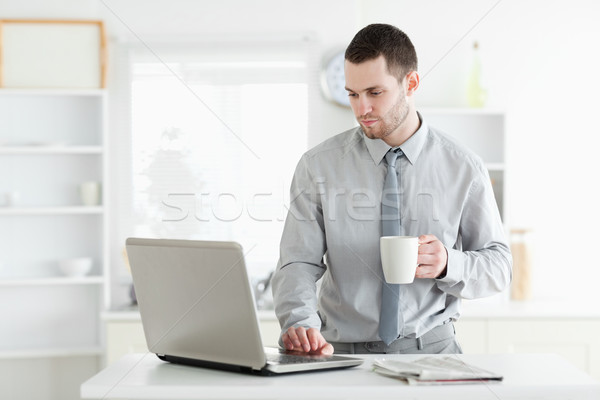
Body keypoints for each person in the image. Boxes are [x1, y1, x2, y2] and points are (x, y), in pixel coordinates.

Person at [271, 23, 512, 355]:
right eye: (352, 94)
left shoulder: (464, 167)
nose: (361, 109)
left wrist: (447, 263)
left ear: (410, 83)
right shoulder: (318, 166)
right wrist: (300, 322)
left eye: (375, 92)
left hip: (433, 354)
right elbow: (297, 262)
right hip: (339, 355)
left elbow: (499, 267)